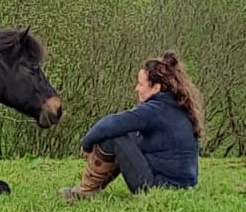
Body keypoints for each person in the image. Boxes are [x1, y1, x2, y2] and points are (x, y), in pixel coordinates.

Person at [60, 52, 203, 203]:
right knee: (130, 136)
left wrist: (87, 144)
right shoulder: (178, 107)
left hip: (158, 187)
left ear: (156, 88)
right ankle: (86, 189)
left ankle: (85, 191)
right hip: (185, 186)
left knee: (114, 138)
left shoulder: (155, 110)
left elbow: (110, 124)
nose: (136, 88)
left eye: (141, 84)